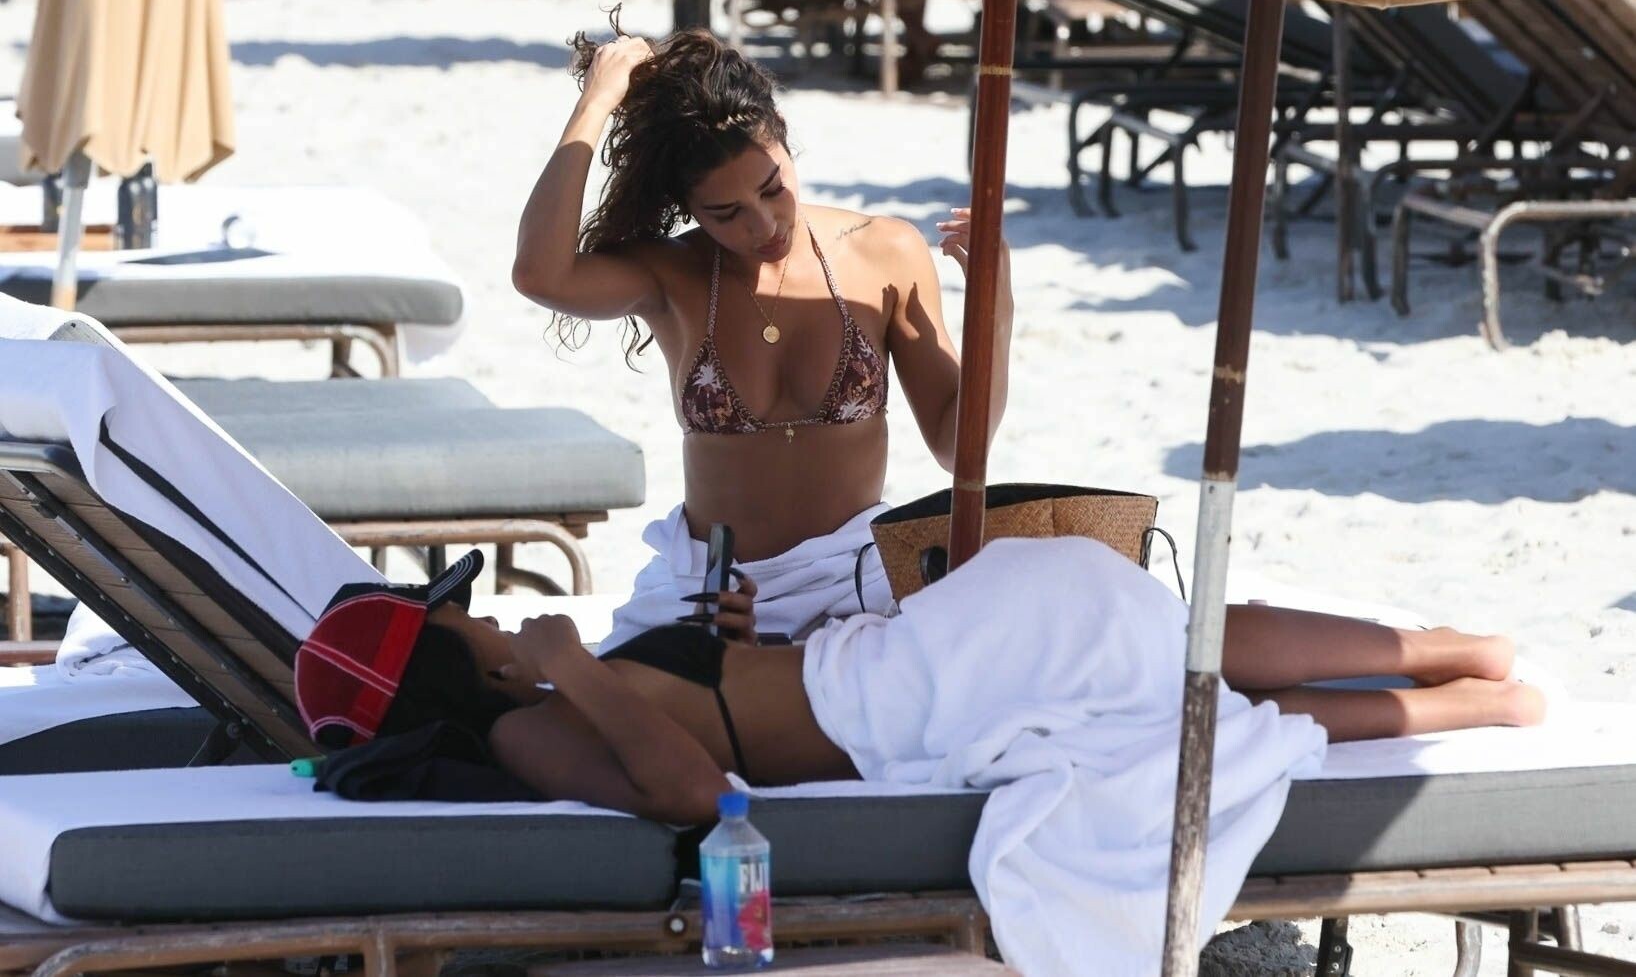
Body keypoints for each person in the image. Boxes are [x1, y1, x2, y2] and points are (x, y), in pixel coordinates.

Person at [299, 539, 1545, 829]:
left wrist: (717, 634)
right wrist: (575, 664)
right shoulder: (529, 738)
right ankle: (1443, 661)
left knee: (1171, 662)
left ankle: (1456, 686)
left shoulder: (538, 701)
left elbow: (721, 706)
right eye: (450, 614)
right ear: (446, 665)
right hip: (915, 700)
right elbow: (696, 792)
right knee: (1172, 660)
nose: (471, 607)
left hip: (900, 669)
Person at [512, 16, 1013, 650]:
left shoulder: (884, 251)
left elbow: (960, 448)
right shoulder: (673, 274)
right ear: (689, 209)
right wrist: (596, 104)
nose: (764, 224)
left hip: (852, 587)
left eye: (773, 188)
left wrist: (997, 306)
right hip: (710, 590)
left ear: (783, 136)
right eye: (726, 213)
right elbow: (539, 273)